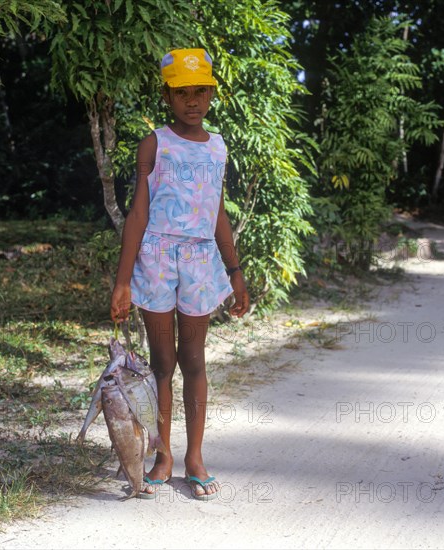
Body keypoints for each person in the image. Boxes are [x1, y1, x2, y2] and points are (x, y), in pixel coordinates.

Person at [110, 48, 249, 501]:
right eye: (182, 92)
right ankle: (163, 453)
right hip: (155, 259)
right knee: (161, 363)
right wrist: (123, 279)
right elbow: (137, 213)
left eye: (201, 91)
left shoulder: (218, 146)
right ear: (167, 96)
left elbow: (217, 212)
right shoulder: (155, 143)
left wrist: (235, 271)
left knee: (194, 360)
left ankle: (195, 456)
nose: (193, 100)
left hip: (200, 262)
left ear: (212, 93)